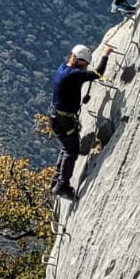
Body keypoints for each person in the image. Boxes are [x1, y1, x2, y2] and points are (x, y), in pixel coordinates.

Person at [49, 43, 112, 200]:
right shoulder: (74, 75)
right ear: (77, 60)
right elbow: (98, 73)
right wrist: (105, 54)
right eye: (84, 64)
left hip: (57, 117)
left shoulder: (62, 69)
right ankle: (62, 185)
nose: (85, 68)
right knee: (72, 150)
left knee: (66, 147)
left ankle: (56, 180)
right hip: (64, 120)